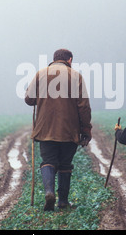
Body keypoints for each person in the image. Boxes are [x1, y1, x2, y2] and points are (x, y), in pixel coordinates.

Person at [25, 49, 92, 211]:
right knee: (65, 164)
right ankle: (62, 201)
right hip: (69, 129)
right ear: (69, 60)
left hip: (45, 128)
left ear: (54, 60)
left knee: (48, 160)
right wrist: (86, 129)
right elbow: (83, 107)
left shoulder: (40, 74)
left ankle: (49, 192)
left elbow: (29, 99)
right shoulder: (76, 76)